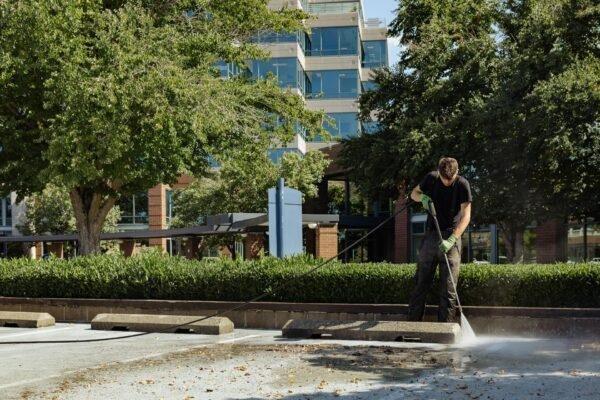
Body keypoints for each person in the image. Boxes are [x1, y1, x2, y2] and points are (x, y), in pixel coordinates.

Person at [408, 157, 472, 323]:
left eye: (450, 180)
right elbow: (414, 193)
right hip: (430, 236)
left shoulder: (462, 185)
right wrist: (422, 198)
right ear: (439, 172)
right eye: (444, 179)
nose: (447, 182)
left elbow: (466, 217)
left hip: (451, 237)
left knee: (448, 289)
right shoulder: (431, 178)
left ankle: (446, 330)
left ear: (457, 172)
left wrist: (452, 239)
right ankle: (413, 326)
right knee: (420, 284)